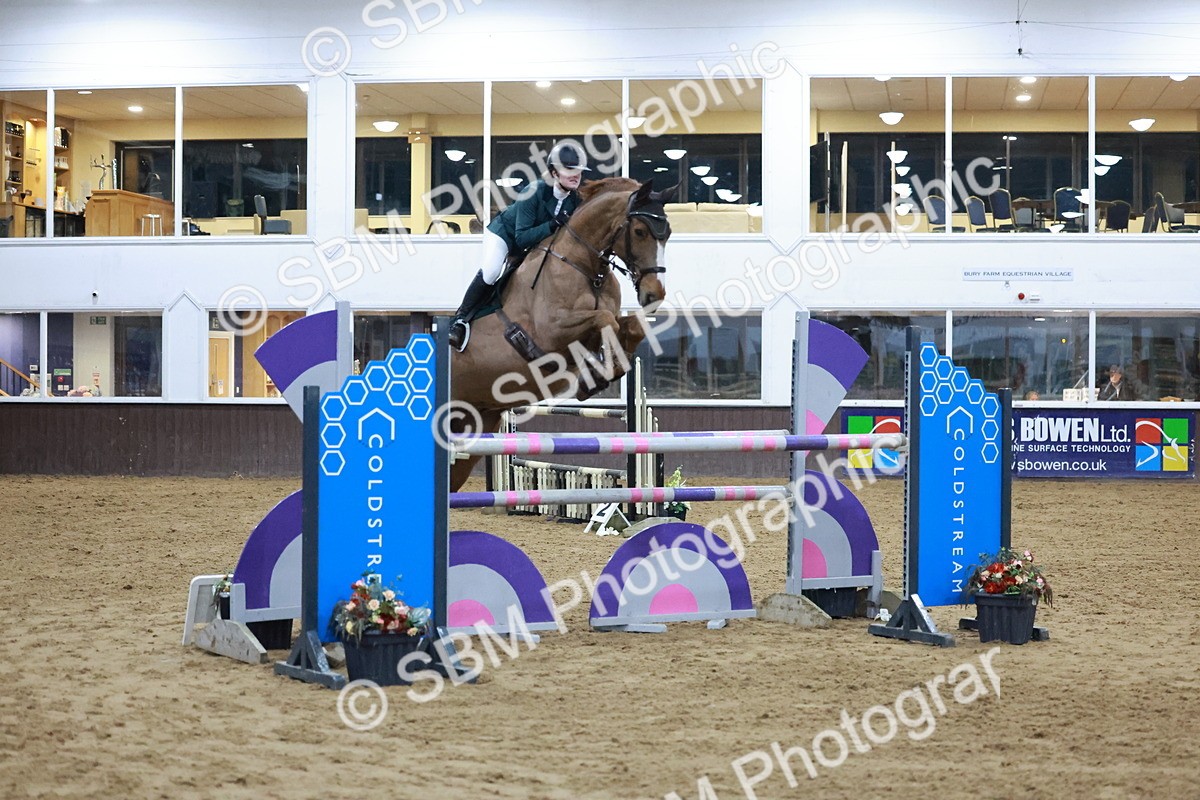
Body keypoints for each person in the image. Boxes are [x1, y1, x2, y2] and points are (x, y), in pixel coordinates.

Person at [448, 142, 590, 350]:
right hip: (504, 235)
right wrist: (551, 225)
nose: (576, 175)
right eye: (569, 170)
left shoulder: (575, 200)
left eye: (578, 171)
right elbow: (521, 238)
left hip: (536, 245)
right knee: (491, 271)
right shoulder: (532, 191)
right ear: (553, 172)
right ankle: (460, 320)